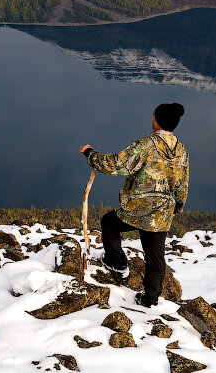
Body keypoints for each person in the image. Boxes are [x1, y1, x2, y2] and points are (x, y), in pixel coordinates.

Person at [78, 102, 189, 307]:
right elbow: (182, 182)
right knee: (155, 255)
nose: (152, 115)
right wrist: (177, 207)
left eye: (154, 114)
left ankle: (117, 263)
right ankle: (150, 299)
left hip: (139, 209)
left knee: (109, 224)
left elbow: (116, 164)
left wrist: (90, 154)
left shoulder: (146, 146)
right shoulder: (180, 149)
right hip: (162, 212)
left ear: (157, 119)